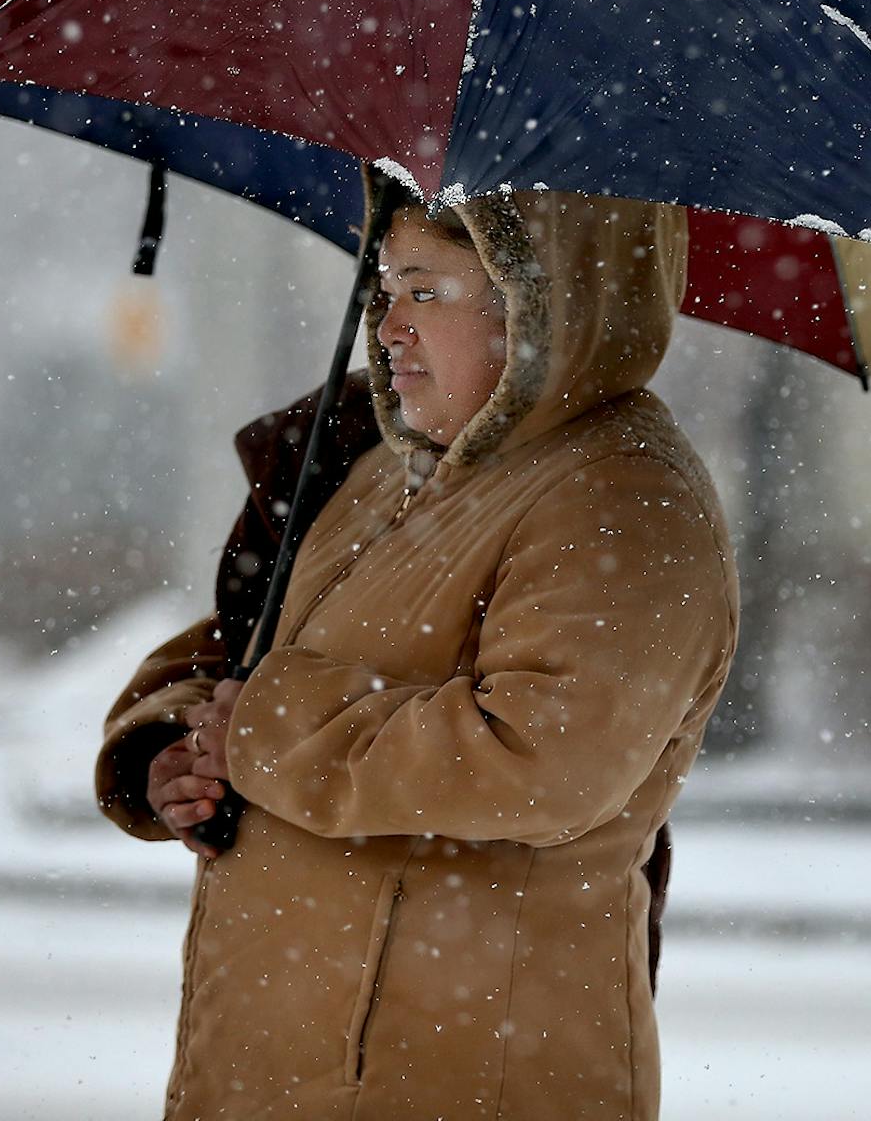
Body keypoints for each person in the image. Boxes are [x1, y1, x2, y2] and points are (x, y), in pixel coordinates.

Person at [95, 179, 739, 1120]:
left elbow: (541, 757)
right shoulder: (377, 470)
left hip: (454, 1078)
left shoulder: (622, 499)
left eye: (426, 292)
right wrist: (174, 749)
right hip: (283, 1076)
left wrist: (265, 731)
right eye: (384, 290)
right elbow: (244, 652)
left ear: (540, 300)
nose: (390, 327)